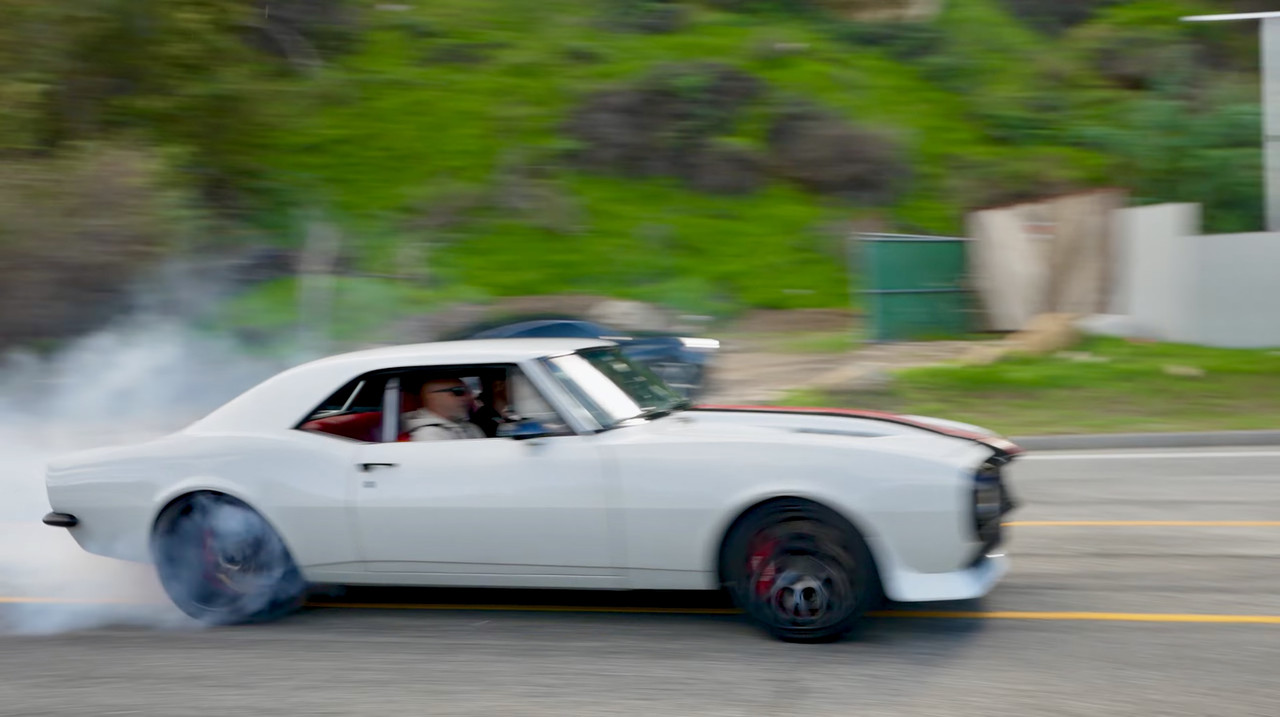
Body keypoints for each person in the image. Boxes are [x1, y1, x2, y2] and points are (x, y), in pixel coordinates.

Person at [402, 377, 486, 441]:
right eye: (458, 392)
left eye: (468, 392)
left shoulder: (472, 428)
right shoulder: (428, 435)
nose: (468, 397)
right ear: (432, 397)